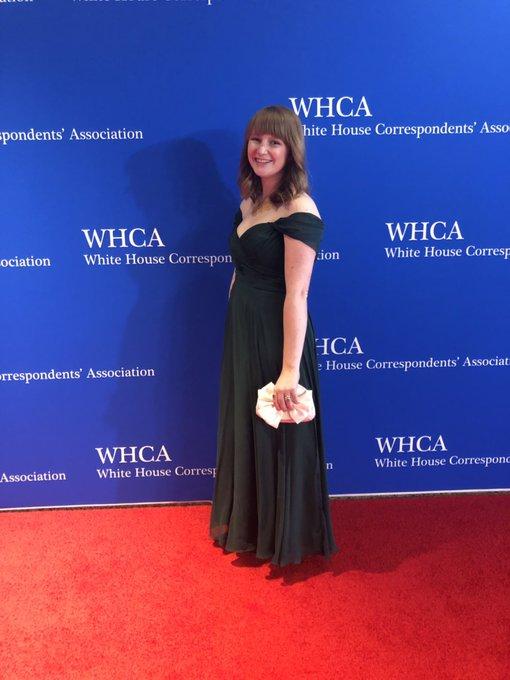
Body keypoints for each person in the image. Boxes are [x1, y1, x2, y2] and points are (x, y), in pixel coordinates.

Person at [209, 104, 339, 567]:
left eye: (275, 142)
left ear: (291, 151)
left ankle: (284, 533)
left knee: (278, 430)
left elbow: (298, 294)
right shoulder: (249, 203)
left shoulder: (300, 207)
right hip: (243, 332)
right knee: (249, 426)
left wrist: (289, 370)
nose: (262, 150)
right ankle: (253, 526)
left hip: (279, 334)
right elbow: (239, 272)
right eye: (256, 140)